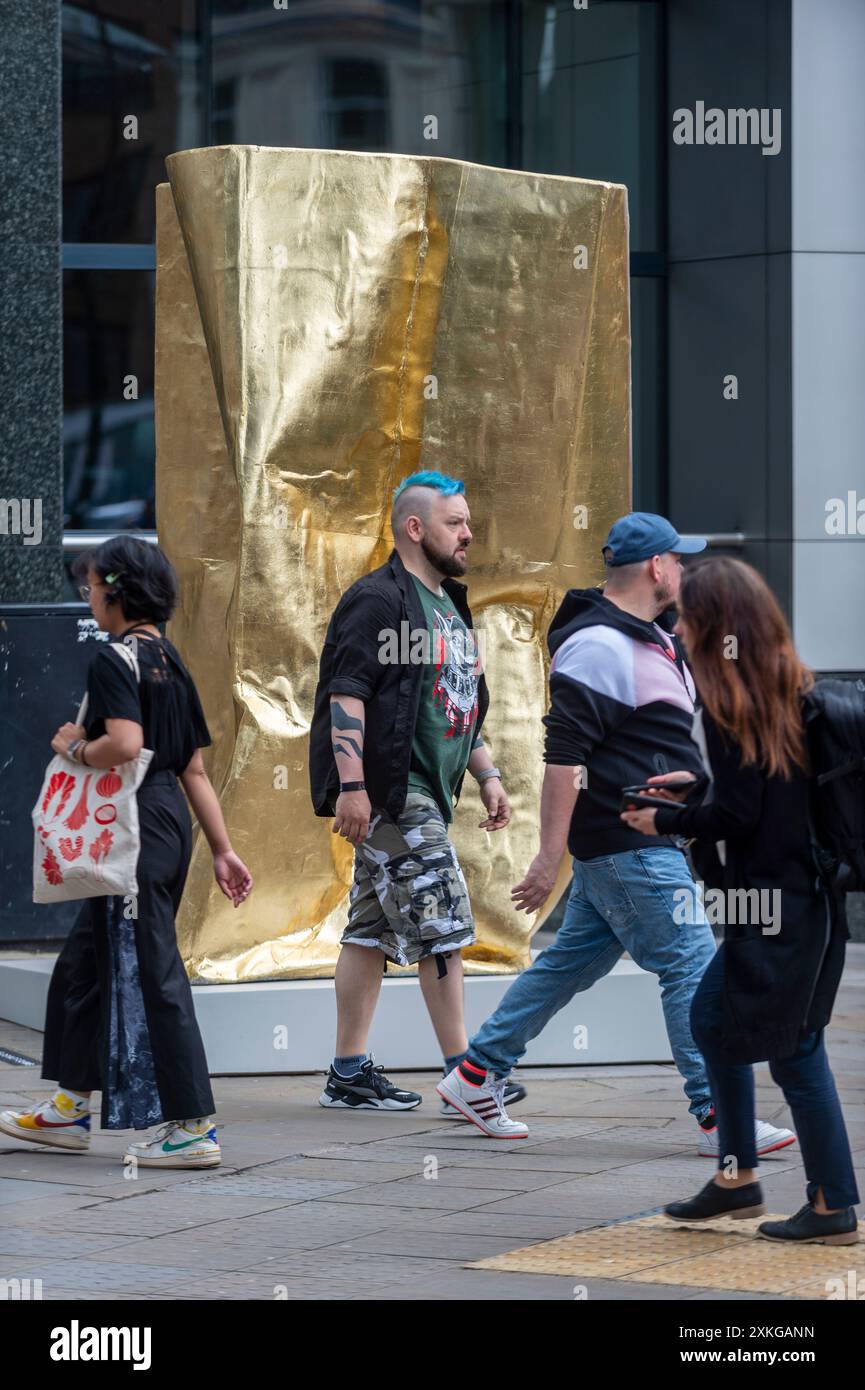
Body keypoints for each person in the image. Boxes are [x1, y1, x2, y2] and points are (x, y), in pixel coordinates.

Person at [439, 513, 794, 1153]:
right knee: (692, 965)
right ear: (657, 567)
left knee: (566, 970)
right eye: (679, 560)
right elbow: (564, 760)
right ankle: (722, 1115)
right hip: (631, 846)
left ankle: (475, 1073)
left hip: (633, 845)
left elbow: (640, 743)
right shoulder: (598, 644)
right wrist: (548, 858)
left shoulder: (654, 639)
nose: (686, 571)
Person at [621, 556, 859, 1244]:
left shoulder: (732, 708)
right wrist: (696, 788)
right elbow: (766, 802)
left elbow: (740, 819)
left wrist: (661, 820)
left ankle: (828, 1205)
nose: (680, 627)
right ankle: (737, 1179)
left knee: (789, 1050)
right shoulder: (786, 693)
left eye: (688, 617)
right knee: (727, 1027)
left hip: (774, 909)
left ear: (717, 627)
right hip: (797, 904)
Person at [0, 537, 253, 1169]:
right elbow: (194, 767)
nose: (87, 599)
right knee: (84, 962)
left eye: (91, 588)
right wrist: (221, 849)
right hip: (165, 819)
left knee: (155, 971)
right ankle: (69, 1108)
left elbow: (123, 743)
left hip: (133, 825)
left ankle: (193, 1126)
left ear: (117, 592)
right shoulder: (170, 658)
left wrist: (72, 748)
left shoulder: (116, 658)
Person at [309, 470, 525, 1115]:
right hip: (390, 793)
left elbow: (458, 702)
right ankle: (466, 1072)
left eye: (466, 521)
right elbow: (346, 693)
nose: (468, 533)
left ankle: (348, 1072)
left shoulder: (449, 604)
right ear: (414, 528)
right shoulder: (377, 600)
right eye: (454, 522)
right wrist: (353, 787)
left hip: (428, 787)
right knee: (442, 915)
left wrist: (486, 774)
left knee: (370, 929)